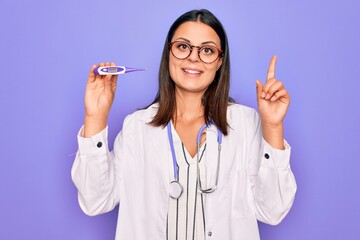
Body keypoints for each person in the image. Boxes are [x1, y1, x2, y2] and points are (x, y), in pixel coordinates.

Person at [71, 9, 296, 240]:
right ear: (169, 52)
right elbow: (94, 201)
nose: (193, 57)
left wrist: (273, 126)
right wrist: (95, 117)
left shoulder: (246, 124)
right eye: (183, 46)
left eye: (207, 50)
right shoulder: (137, 127)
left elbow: (272, 211)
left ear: (220, 61)